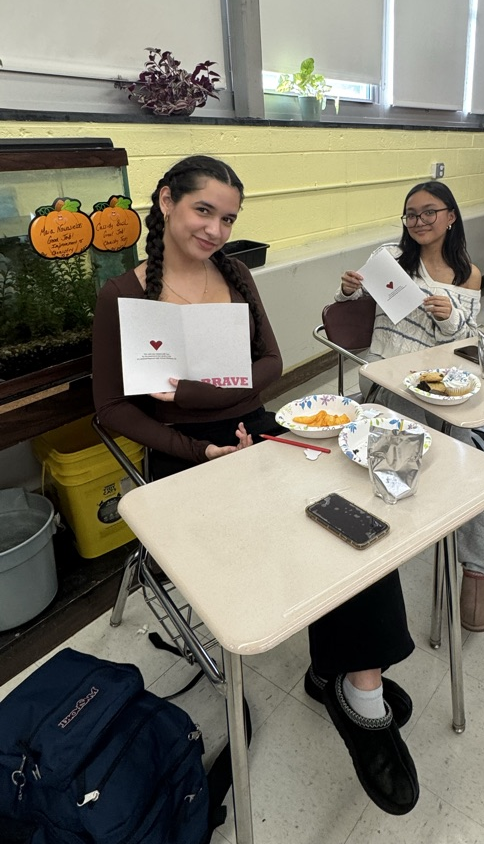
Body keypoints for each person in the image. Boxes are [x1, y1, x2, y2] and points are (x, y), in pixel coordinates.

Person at [92, 155, 419, 816]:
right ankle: (345, 676)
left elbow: (271, 359)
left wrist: (228, 398)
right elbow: (114, 409)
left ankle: (356, 688)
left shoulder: (235, 273)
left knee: (351, 516)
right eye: (203, 210)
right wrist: (198, 442)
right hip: (185, 455)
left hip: (254, 429)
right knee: (288, 535)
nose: (215, 229)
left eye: (228, 217)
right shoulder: (123, 294)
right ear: (165, 203)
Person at [336, 180, 484, 634]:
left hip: (439, 382)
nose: (419, 222)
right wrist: (351, 289)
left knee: (461, 457)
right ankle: (467, 557)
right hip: (388, 377)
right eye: (411, 214)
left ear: (451, 215)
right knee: (442, 454)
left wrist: (447, 316)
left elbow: (463, 340)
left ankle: (477, 565)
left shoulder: (467, 272)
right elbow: (350, 313)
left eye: (429, 212)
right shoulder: (389, 258)